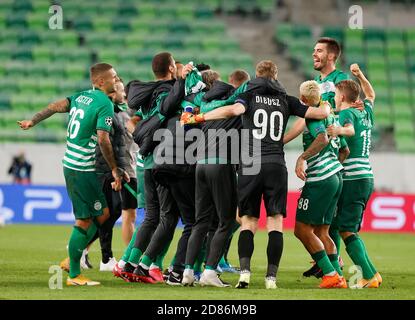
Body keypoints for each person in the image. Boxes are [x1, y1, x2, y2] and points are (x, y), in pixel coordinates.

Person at [181, 60, 331, 289]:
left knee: (248, 222)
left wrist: (198, 118)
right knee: (275, 222)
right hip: (276, 165)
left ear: (257, 76)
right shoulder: (286, 99)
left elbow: (233, 110)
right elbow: (320, 112)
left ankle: (245, 275)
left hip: (250, 165)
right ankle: (271, 278)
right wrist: (327, 104)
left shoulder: (249, 96)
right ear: (276, 75)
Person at [18, 63, 128, 286]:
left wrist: (34, 120)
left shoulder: (81, 96)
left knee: (104, 214)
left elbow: (54, 106)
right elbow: (103, 139)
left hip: (72, 164)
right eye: (113, 77)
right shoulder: (105, 103)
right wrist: (115, 169)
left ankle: (74, 259)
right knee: (85, 220)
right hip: (82, 168)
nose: (116, 81)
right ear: (100, 82)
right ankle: (74, 273)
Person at [284, 37, 350, 278]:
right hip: (332, 159)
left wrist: (341, 130)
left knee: (319, 225)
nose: (314, 54)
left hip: (330, 154)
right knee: (322, 225)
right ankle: (326, 264)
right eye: (313, 50)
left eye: (319, 51)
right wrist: (280, 141)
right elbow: (305, 120)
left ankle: (333, 267)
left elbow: (351, 106)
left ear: (332, 55)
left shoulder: (340, 80)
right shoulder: (318, 85)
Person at [326, 64, 382, 289]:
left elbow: (347, 129)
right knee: (340, 225)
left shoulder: (348, 112)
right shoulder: (365, 110)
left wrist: (337, 129)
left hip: (353, 177)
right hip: (366, 176)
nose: (335, 99)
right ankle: (371, 274)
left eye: (337, 95)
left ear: (344, 96)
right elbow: (371, 94)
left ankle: (368, 276)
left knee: (347, 229)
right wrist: (360, 75)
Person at [293, 80, 350, 289]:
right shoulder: (331, 116)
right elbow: (345, 151)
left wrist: (302, 158)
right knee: (322, 231)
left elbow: (322, 138)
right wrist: (332, 168)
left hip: (321, 179)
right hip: (336, 177)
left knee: (302, 230)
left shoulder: (313, 116)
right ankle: (338, 277)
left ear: (304, 100)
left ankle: (330, 273)